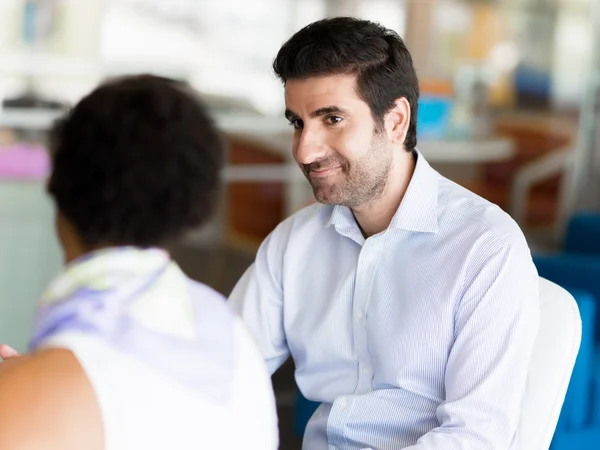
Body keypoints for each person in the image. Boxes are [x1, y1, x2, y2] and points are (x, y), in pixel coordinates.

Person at [228, 17, 540, 450]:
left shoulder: (484, 247)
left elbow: (475, 438)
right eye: (298, 123)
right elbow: (223, 368)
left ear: (395, 121)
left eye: (332, 118)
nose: (304, 149)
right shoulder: (293, 242)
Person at [0, 75, 278, 450]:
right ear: (195, 208)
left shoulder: (52, 383)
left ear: (56, 194)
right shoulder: (234, 338)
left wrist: (28, 384)